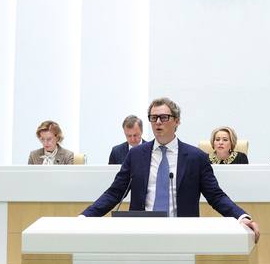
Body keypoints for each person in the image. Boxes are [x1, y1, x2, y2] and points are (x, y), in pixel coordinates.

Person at [81, 98, 260, 242]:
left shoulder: (196, 157)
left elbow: (216, 196)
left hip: (182, 234)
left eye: (164, 117)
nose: (158, 122)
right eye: (153, 118)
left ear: (177, 121)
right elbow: (115, 192)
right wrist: (85, 217)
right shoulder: (136, 155)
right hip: (140, 232)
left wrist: (241, 216)